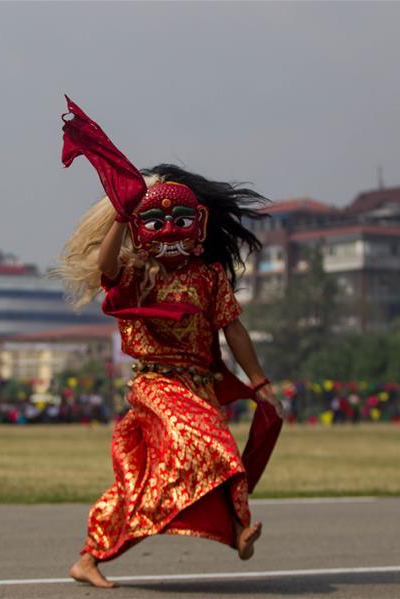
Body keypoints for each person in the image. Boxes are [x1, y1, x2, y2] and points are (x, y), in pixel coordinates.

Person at [57, 98, 284, 588]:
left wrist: (259, 380)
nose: (170, 230)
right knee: (213, 444)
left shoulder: (209, 275)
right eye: (156, 221)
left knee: (147, 479)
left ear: (198, 224)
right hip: (156, 384)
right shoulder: (137, 273)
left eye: (180, 219)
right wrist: (121, 216)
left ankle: (90, 557)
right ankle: (239, 528)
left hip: (198, 384)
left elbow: (234, 329)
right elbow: (106, 268)